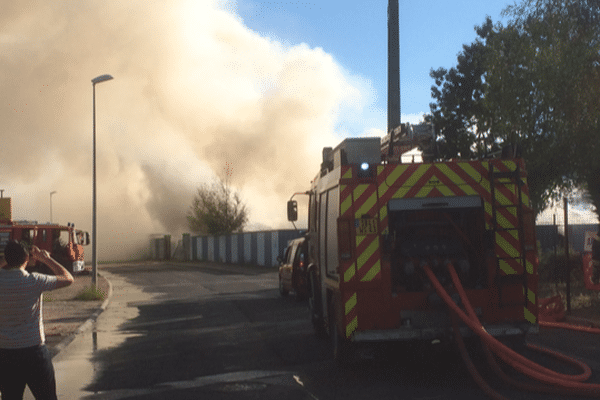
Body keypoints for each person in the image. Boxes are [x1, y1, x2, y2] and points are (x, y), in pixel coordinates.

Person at [0, 241, 74, 400]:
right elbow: (68, 278)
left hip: (5, 354)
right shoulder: (35, 280)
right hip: (34, 352)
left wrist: (6, 260)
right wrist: (46, 259)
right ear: (26, 257)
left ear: (6, 258)